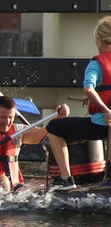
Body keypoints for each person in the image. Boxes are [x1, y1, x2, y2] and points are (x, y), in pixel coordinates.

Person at [46, 16, 111, 190]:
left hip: (102, 124)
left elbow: (89, 89)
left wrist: (105, 110)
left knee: (54, 128)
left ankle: (66, 179)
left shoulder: (96, 64)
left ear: (99, 40)